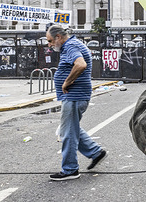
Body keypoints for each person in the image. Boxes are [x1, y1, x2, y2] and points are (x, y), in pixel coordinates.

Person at [47, 25, 107, 181]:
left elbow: (80, 64)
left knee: (67, 133)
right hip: (75, 96)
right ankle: (96, 152)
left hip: (74, 95)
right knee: (71, 129)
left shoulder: (70, 46)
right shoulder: (72, 44)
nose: (50, 45)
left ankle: (70, 169)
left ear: (59, 37)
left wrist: (67, 82)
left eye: (50, 41)